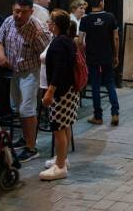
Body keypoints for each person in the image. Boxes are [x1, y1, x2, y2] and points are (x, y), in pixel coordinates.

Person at [0, 0, 51, 162]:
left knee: (27, 109)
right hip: (15, 71)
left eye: (23, 12)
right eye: (16, 11)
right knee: (17, 108)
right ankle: (26, 137)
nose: (18, 15)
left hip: (31, 71)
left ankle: (31, 147)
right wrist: (1, 54)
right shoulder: (8, 21)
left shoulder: (36, 28)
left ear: (31, 12)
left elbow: (46, 53)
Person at [39, 10, 80, 181]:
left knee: (58, 128)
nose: (47, 23)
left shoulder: (59, 43)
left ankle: (61, 167)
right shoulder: (67, 40)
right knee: (66, 125)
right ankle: (62, 159)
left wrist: (50, 91)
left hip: (61, 91)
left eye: (50, 21)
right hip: (70, 89)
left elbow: (59, 70)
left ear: (55, 25)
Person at [79, 0, 120, 126]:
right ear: (102, 2)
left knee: (95, 85)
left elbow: (80, 40)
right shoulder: (110, 17)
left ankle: (98, 116)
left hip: (92, 56)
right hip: (107, 55)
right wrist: (116, 55)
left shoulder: (85, 19)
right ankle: (115, 113)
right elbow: (116, 38)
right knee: (109, 83)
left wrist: (83, 54)